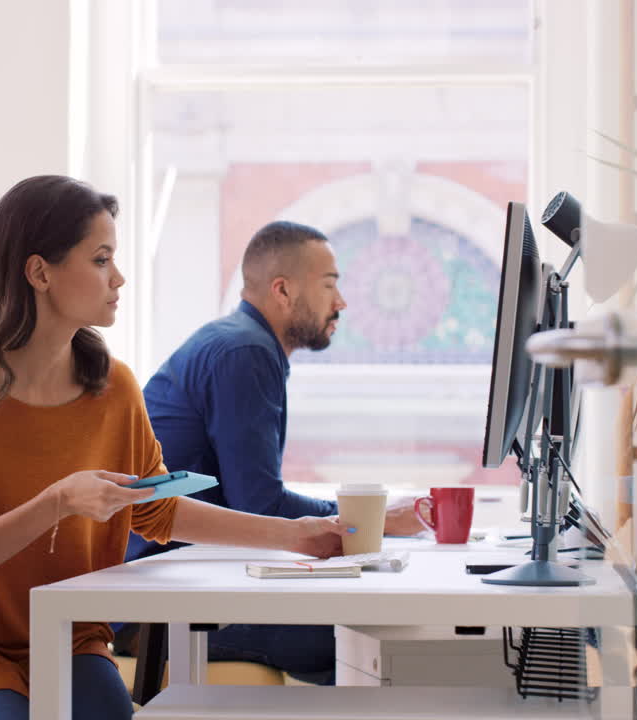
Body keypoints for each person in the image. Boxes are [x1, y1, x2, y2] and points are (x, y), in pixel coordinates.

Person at [0, 176, 349, 720]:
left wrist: (295, 537)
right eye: (101, 259)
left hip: (64, 640)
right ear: (39, 272)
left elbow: (157, 508)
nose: (117, 277)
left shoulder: (112, 386)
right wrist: (58, 502)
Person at [120, 220, 424, 684]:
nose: (341, 303)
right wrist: (372, 520)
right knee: (366, 633)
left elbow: (254, 500)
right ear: (282, 291)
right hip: (157, 609)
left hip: (183, 583)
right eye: (329, 286)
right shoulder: (244, 352)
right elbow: (261, 505)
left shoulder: (243, 343)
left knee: (373, 626)